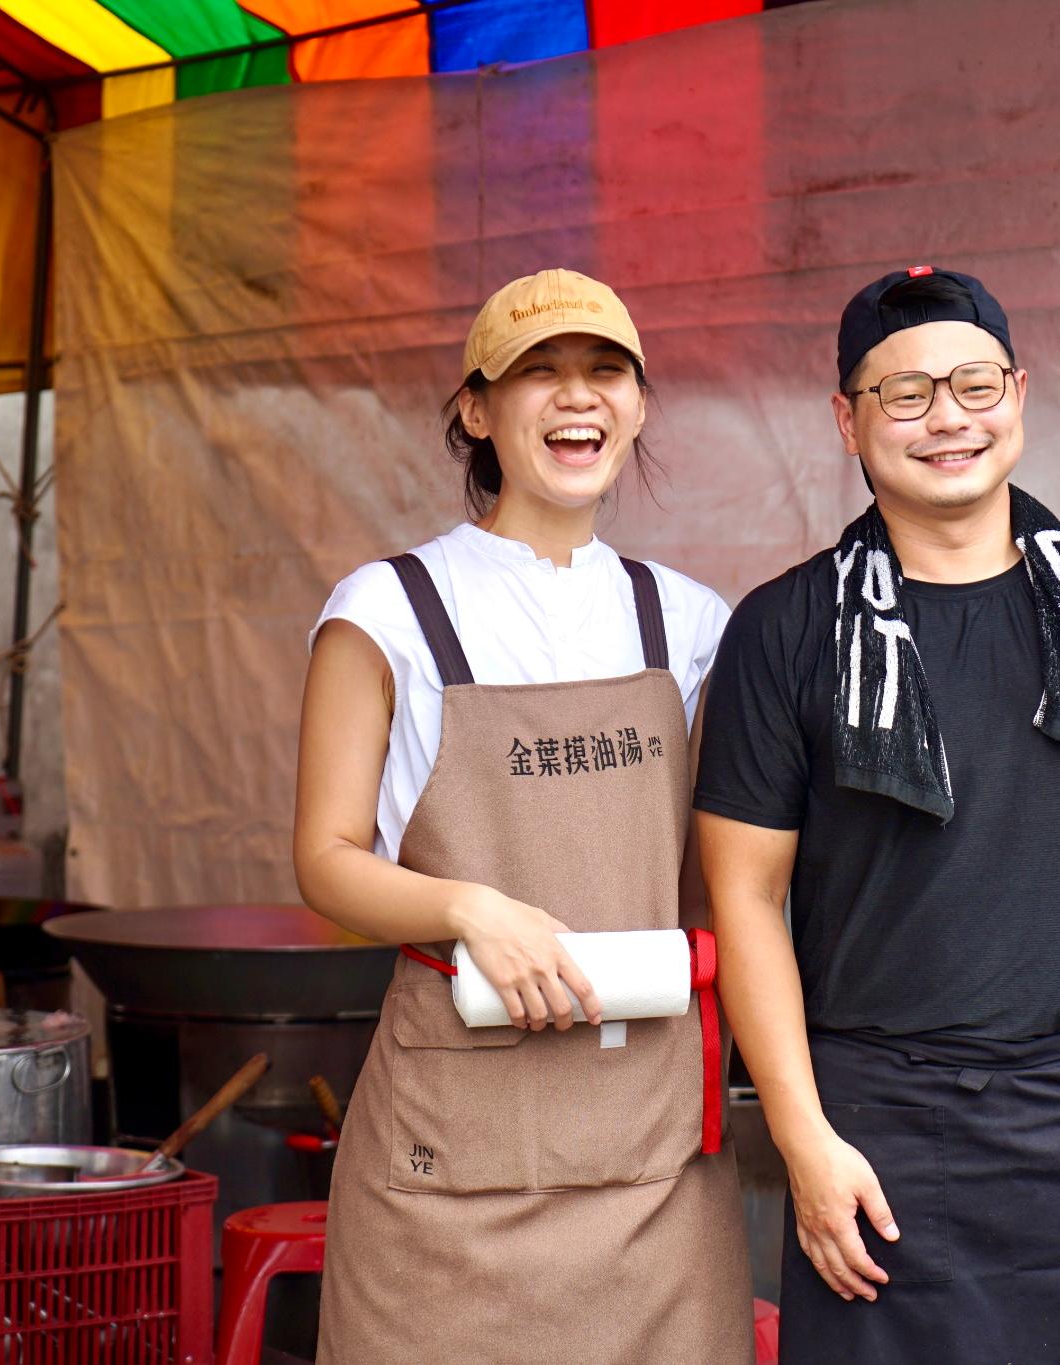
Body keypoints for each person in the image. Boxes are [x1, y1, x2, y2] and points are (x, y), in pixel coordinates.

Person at [694, 266, 1060, 1362]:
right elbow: (745, 898)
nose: (947, 418)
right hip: (871, 1125)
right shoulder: (785, 628)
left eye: (973, 383)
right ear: (844, 422)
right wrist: (802, 1139)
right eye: (904, 394)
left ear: (1019, 393)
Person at [295, 269, 753, 1363]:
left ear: (638, 405)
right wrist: (470, 910)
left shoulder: (688, 625)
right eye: (536, 375)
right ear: (475, 409)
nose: (574, 398)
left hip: (652, 1164)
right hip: (448, 1169)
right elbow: (323, 858)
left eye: (604, 373)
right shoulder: (387, 609)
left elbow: (740, 881)